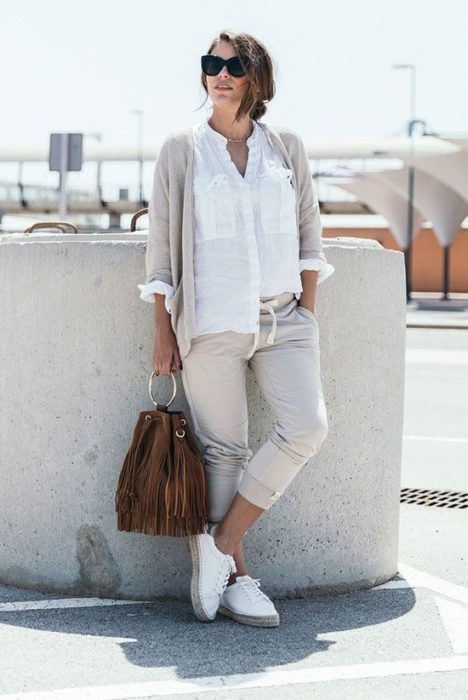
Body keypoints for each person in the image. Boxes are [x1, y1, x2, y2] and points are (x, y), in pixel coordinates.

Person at [137, 30, 335, 628]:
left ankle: (217, 546)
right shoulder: (182, 150)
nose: (220, 73)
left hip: (283, 318)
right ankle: (240, 579)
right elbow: (162, 252)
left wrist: (307, 309)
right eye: (211, 64)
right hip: (211, 325)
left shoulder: (286, 148)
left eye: (233, 64)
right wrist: (163, 331)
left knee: (307, 427)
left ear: (256, 77)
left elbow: (309, 233)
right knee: (225, 452)